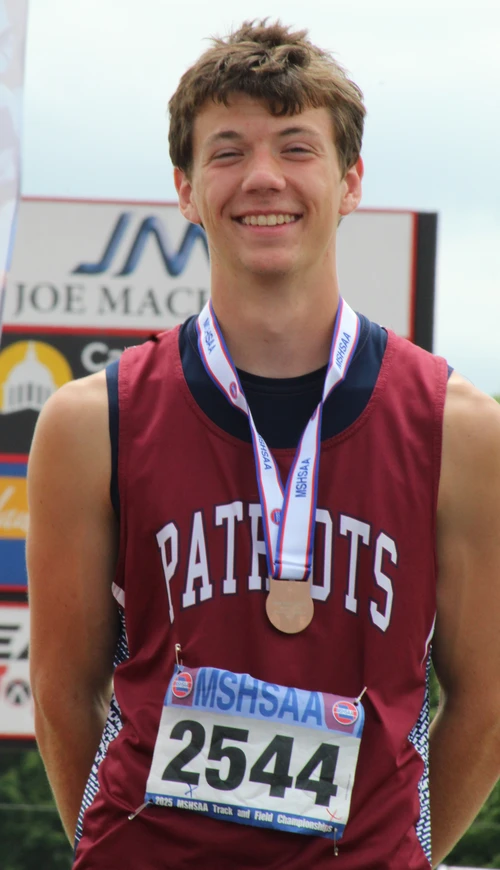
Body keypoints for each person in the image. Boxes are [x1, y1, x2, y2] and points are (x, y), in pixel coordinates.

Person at [27, 19, 500, 870]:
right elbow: (63, 697)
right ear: (184, 187)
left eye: (297, 146)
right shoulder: (87, 422)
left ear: (351, 182)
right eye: (227, 150)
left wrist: (398, 850)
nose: (264, 178)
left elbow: (487, 702)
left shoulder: (460, 429)